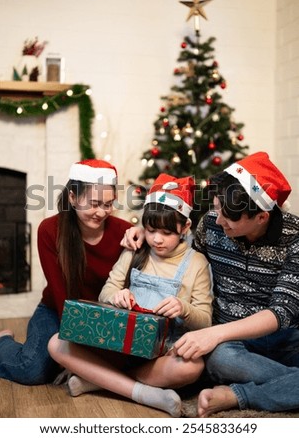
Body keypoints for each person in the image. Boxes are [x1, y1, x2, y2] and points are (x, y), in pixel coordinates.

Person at [123, 152, 299, 416]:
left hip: (287, 340)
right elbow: (185, 262)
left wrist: (213, 334)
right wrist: (145, 234)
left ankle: (238, 394)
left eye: (228, 217)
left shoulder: (295, 236)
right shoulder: (210, 225)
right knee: (218, 358)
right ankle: (287, 385)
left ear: (261, 217)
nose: (218, 220)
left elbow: (281, 313)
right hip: (232, 347)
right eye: (216, 208)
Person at [48, 173, 213, 417]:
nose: (156, 239)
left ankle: (100, 381)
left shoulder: (196, 263)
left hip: (162, 353)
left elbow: (206, 322)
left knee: (192, 367)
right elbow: (107, 291)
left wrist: (184, 308)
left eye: (166, 233)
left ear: (185, 227)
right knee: (56, 343)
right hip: (120, 343)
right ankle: (143, 392)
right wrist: (116, 296)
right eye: (150, 230)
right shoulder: (136, 250)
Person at [0, 159, 132, 385]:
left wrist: (141, 232)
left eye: (108, 204)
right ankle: (3, 342)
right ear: (72, 197)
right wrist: (74, 354)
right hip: (57, 310)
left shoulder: (125, 231)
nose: (101, 212)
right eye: (94, 203)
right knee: (32, 370)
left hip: (107, 315)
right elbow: (63, 296)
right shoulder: (50, 230)